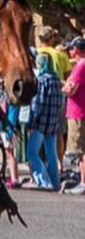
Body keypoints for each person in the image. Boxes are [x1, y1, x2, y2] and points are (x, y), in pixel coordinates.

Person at [27, 53, 63, 190]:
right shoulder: (56, 79)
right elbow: (61, 103)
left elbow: (38, 103)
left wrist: (32, 120)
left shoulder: (41, 80)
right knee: (51, 153)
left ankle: (43, 181)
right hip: (53, 122)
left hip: (40, 123)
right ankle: (55, 181)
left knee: (32, 152)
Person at [62, 36, 85, 194]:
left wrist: (63, 86)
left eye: (71, 48)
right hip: (80, 110)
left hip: (78, 112)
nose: (70, 51)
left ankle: (83, 182)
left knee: (81, 150)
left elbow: (71, 90)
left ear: (77, 49)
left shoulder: (81, 66)